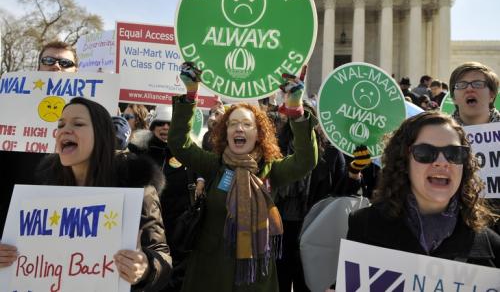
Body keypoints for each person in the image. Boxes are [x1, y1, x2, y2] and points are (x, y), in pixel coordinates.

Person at [168, 62, 318, 291]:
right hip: (210, 276)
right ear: (225, 132)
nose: (239, 129)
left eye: (247, 124)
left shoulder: (271, 170)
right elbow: (180, 145)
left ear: (259, 134)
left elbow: (305, 161)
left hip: (254, 279)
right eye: (233, 124)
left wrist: (297, 111)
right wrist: (190, 95)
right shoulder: (214, 165)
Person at [0, 97, 172, 290]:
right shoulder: (43, 187)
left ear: (102, 135)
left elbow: (162, 258)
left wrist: (145, 268)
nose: (65, 129)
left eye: (78, 123)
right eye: (61, 124)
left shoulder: (136, 185)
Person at [347, 111, 500, 267]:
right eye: (425, 152)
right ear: (404, 161)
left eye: (454, 153)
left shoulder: (492, 248)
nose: (442, 162)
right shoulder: (363, 226)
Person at [0, 40, 79, 234]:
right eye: (49, 60)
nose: (56, 66)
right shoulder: (10, 104)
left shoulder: (94, 109)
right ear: (38, 67)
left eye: (65, 63)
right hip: (14, 211)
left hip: (69, 213)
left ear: (76, 71)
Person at [274, 100, 346, 292]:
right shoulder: (275, 150)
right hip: (278, 228)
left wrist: (354, 174)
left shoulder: (330, 154)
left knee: (306, 282)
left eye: (304, 117)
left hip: (313, 228)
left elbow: (341, 192)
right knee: (279, 280)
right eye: (295, 117)